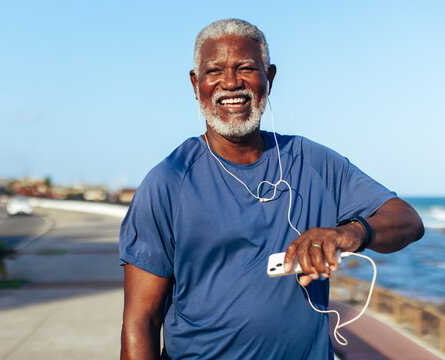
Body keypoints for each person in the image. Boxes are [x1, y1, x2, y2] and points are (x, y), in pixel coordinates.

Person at [119, 18, 424, 360]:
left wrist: (352, 233)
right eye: (214, 71)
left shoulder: (313, 162)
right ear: (195, 83)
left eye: (246, 68)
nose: (231, 83)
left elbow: (408, 220)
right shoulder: (168, 181)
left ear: (270, 78)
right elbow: (141, 319)